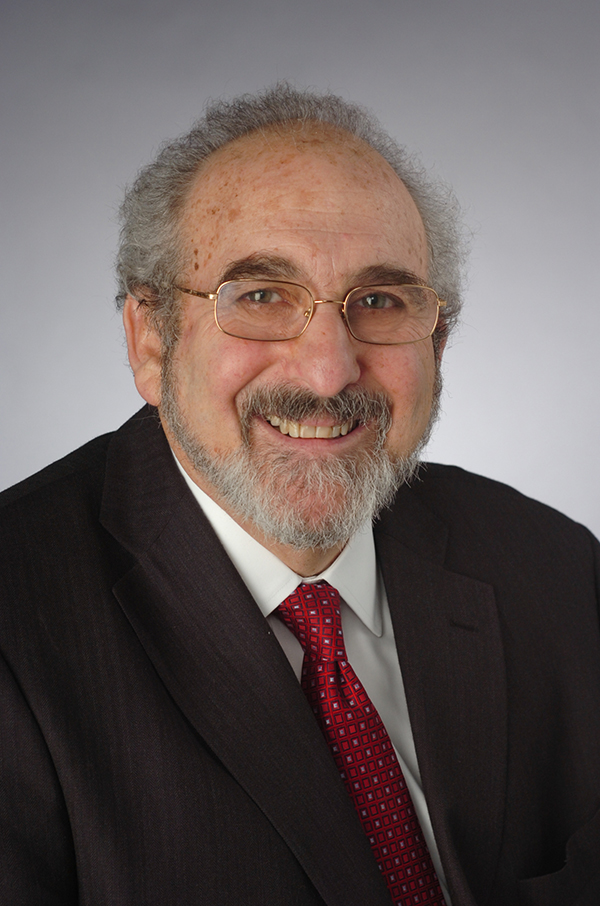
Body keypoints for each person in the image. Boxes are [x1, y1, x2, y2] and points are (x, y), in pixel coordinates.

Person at [1, 84, 599, 906]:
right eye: (260, 297)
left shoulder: (556, 567)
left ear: (438, 342)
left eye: (380, 301)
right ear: (150, 341)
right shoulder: (17, 622)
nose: (327, 372)